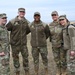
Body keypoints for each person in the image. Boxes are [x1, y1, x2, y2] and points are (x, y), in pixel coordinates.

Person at [6, 8, 30, 75]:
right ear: (18, 12)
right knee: (15, 59)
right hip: (15, 45)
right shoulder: (12, 21)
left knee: (25, 58)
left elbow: (28, 31)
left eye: (23, 12)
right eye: (20, 12)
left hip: (23, 45)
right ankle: (17, 72)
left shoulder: (27, 22)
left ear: (25, 13)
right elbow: (6, 29)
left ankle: (26, 71)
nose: (22, 13)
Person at [49, 11, 66, 75]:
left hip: (62, 44)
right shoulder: (50, 25)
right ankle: (58, 70)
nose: (54, 16)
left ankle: (64, 70)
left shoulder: (61, 23)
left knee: (63, 58)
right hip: (54, 45)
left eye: (55, 15)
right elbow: (48, 34)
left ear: (58, 15)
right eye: (53, 15)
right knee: (56, 59)